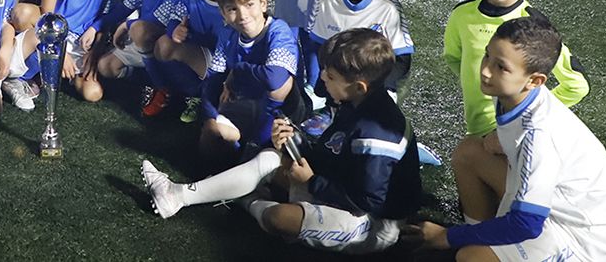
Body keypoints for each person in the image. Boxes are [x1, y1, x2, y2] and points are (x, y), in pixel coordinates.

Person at [142, 28, 421, 256]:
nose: (322, 77)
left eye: (331, 75)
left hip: (375, 224)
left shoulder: (378, 130)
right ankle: (177, 195)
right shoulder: (355, 103)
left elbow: (370, 200)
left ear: (360, 86)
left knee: (279, 218)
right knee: (271, 158)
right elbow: (333, 154)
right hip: (344, 190)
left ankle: (245, 198)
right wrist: (295, 139)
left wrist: (311, 181)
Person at [410, 16, 606, 261]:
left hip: (582, 238)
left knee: (471, 257)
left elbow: (527, 224)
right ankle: (480, 236)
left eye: (500, 67)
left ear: (535, 80)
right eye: (487, 56)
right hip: (558, 205)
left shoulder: (539, 138)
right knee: (470, 152)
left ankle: (473, 243)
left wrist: (447, 236)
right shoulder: (511, 93)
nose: (485, 70)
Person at [444, 0, 589, 224]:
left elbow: (577, 84)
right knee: (479, 195)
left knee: (512, 211)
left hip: (519, 139)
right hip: (478, 129)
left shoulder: (535, 28)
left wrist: (526, 115)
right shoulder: (461, 16)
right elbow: (455, 59)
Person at [301, 0, 414, 136]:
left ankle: (394, 132)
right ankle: (332, 114)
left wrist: (376, 88)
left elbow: (402, 60)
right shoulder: (326, 3)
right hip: (339, 88)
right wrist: (321, 86)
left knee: (367, 131)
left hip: (374, 89)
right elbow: (319, 48)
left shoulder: (388, 7)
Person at [200, 0, 304, 157]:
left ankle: (258, 144)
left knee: (281, 84)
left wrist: (238, 70)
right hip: (244, 102)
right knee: (211, 133)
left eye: (249, 4)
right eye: (232, 9)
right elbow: (212, 81)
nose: (242, 15)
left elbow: (275, 79)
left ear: (263, 3)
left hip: (280, 113)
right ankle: (236, 154)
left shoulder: (278, 31)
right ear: (223, 13)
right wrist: (211, 116)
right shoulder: (227, 34)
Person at [153, 0, 237, 123]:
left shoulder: (235, 5)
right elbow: (175, 17)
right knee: (163, 45)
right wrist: (175, 30)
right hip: (202, 57)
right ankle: (193, 95)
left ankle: (208, 101)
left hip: (227, 69)